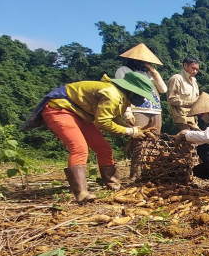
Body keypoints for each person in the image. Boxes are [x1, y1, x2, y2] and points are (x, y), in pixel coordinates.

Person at [22, 72, 156, 203]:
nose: (142, 99)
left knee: (104, 148)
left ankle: (113, 185)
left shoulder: (120, 96)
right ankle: (81, 193)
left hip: (80, 114)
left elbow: (113, 117)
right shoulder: (112, 94)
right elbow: (102, 122)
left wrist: (132, 128)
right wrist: (130, 132)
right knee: (79, 148)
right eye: (141, 95)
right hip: (60, 109)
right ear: (132, 90)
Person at [115, 43, 167, 180]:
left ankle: (150, 173)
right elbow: (122, 92)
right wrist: (127, 113)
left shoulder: (150, 73)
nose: (145, 63)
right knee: (139, 142)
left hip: (155, 109)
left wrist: (154, 72)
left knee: (155, 142)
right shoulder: (124, 70)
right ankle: (135, 175)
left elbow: (163, 89)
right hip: (138, 109)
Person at [167, 57, 200, 131]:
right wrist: (190, 103)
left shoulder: (194, 82)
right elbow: (172, 99)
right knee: (187, 140)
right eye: (193, 68)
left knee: (195, 140)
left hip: (193, 118)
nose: (195, 71)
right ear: (185, 65)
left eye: (197, 70)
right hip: (181, 118)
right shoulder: (176, 79)